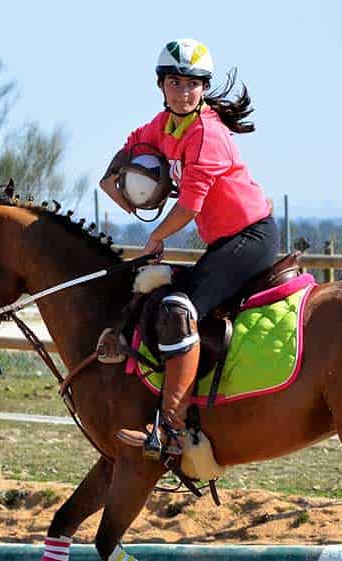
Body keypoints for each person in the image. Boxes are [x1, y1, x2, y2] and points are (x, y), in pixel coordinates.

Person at [101, 38, 279, 457]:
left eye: (193, 85)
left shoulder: (208, 135)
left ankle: (172, 430)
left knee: (178, 309)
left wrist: (157, 236)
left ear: (203, 88)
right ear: (161, 86)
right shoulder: (163, 127)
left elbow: (189, 205)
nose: (184, 92)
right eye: (175, 83)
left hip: (251, 239)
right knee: (161, 292)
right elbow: (135, 141)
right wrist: (113, 177)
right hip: (226, 242)